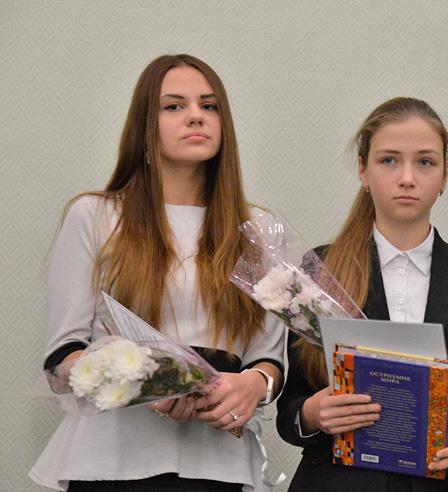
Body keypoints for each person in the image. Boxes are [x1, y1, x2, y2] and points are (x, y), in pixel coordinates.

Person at [29, 54, 286, 491]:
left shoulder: (257, 229)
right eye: (174, 106)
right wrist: (151, 382)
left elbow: (269, 357)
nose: (195, 116)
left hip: (217, 465)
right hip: (110, 462)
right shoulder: (95, 215)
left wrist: (253, 385)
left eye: (209, 106)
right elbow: (62, 356)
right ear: (144, 126)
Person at [276, 97, 448, 491]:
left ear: (445, 176)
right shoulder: (321, 267)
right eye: (388, 160)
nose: (407, 178)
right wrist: (313, 414)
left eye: (425, 162)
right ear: (362, 170)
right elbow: (292, 403)